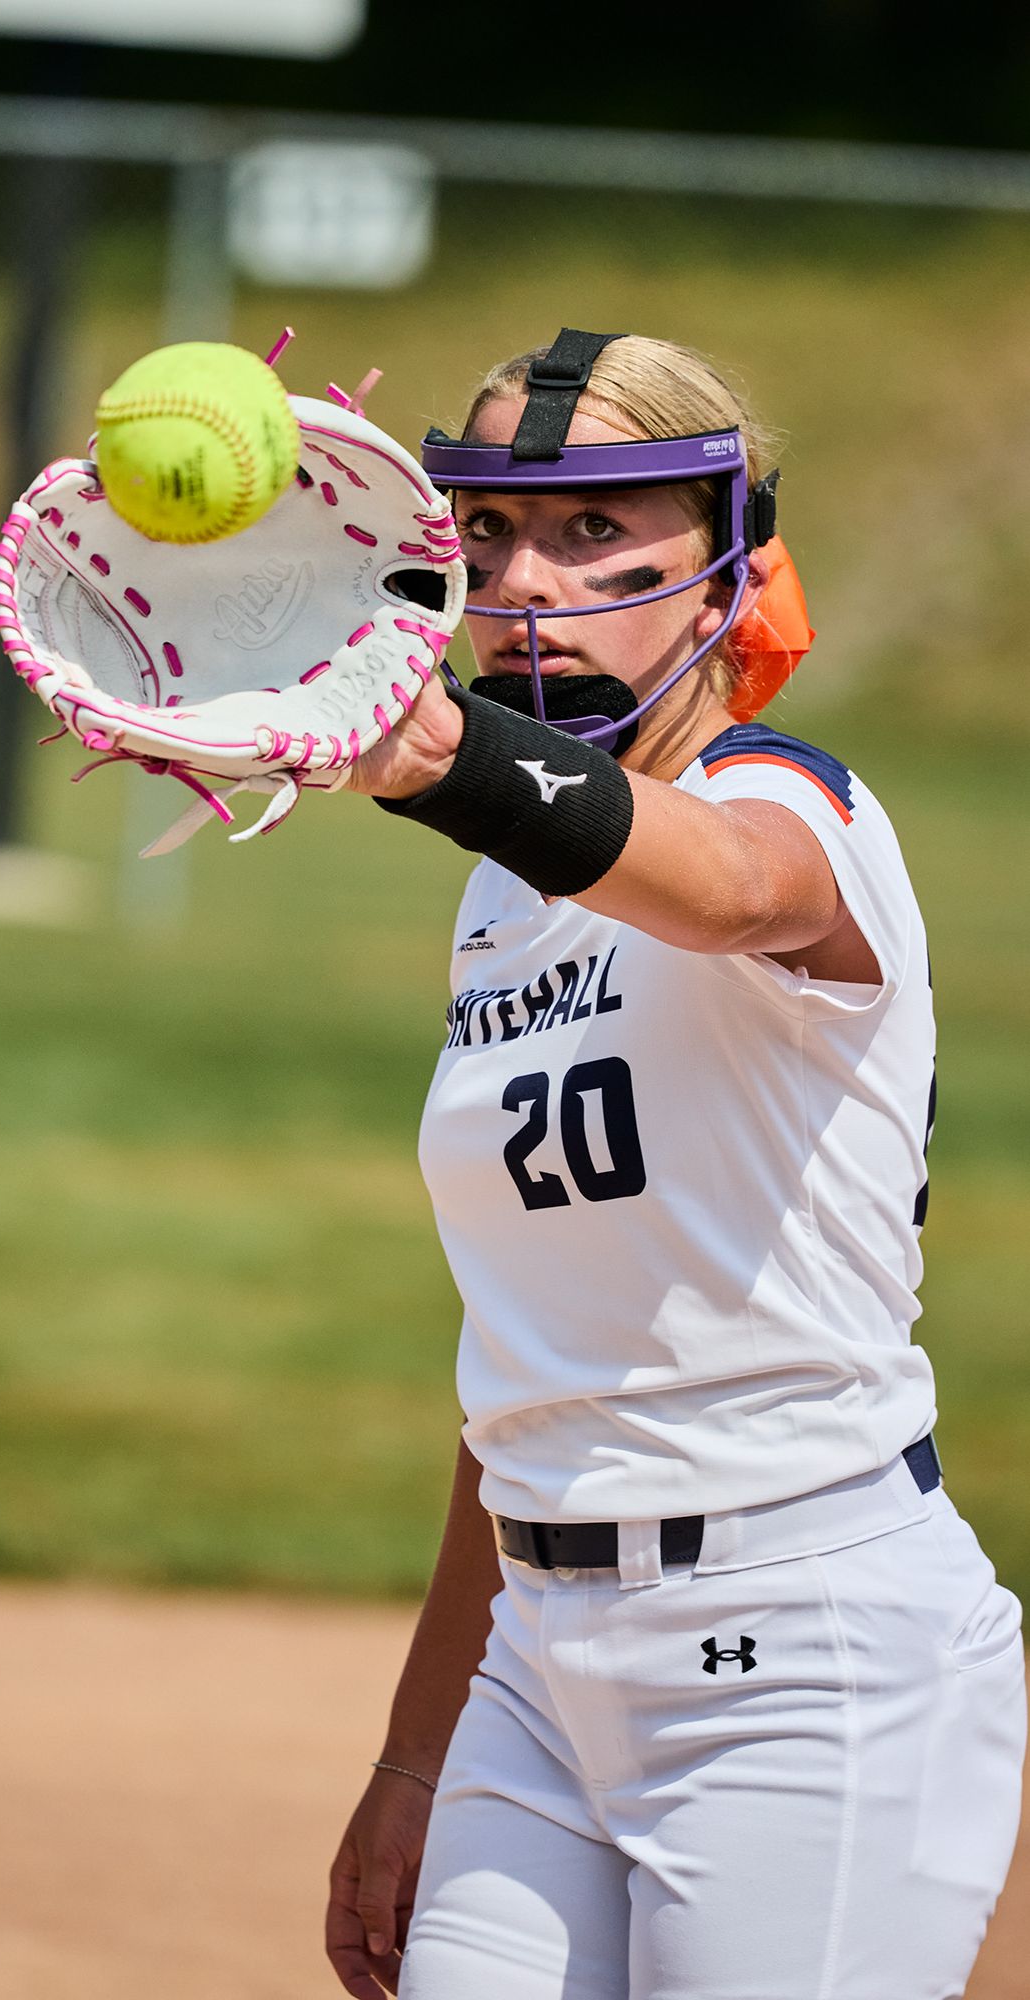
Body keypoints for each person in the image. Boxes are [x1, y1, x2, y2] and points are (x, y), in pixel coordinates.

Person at [324, 329, 1025, 2000]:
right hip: (539, 1664)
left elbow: (726, 886)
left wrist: (449, 764)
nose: (524, 579)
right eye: (488, 531)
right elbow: (525, 1381)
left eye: (590, 527)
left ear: (722, 563)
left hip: (800, 1651)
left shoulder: (797, 805)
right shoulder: (505, 890)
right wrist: (418, 1754)